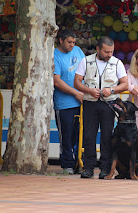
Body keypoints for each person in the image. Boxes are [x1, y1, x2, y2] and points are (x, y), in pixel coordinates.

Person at [74, 36, 128, 179]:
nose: (109, 55)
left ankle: (105, 168)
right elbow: (77, 82)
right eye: (106, 52)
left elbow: (125, 84)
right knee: (89, 135)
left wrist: (112, 90)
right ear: (98, 49)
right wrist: (89, 90)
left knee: (106, 136)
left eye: (111, 51)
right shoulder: (86, 61)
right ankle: (88, 167)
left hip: (108, 103)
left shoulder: (117, 63)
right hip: (90, 102)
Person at [53, 29, 85, 175]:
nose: (72, 45)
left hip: (81, 101)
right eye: (69, 42)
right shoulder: (54, 55)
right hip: (64, 103)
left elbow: (86, 69)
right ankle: (67, 164)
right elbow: (57, 81)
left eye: (74, 42)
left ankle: (80, 162)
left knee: (80, 135)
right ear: (61, 40)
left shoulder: (78, 51)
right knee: (66, 135)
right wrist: (76, 92)